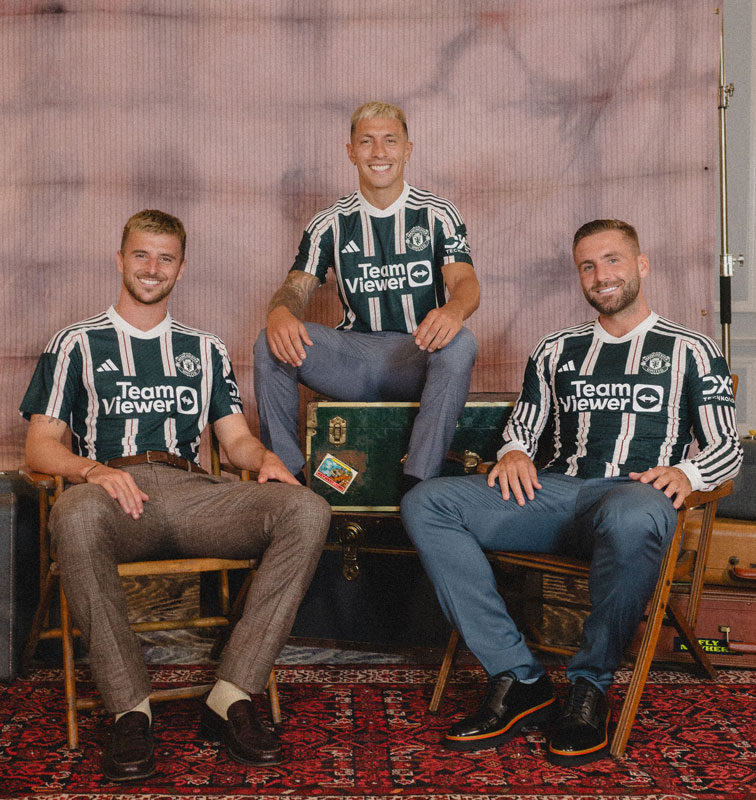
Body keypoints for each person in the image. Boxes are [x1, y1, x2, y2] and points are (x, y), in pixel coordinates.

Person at [401, 219, 743, 765]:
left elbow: (727, 448)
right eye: (588, 265)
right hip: (558, 495)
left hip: (635, 497)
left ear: (641, 264)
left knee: (633, 514)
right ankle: (518, 677)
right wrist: (514, 451)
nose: (601, 275)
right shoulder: (556, 348)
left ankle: (590, 688)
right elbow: (524, 426)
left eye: (613, 260)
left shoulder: (693, 350)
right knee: (427, 502)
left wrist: (687, 475)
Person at [20, 210, 331, 781]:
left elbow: (234, 440)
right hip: (112, 494)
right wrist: (92, 470)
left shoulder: (205, 348)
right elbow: (39, 447)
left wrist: (264, 459)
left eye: (165, 258)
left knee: (307, 509)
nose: (152, 267)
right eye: (141, 254)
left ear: (181, 268)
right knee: (73, 513)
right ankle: (130, 710)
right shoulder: (76, 343)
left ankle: (231, 695)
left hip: (194, 493)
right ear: (120, 259)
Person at [253, 101, 480, 494]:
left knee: (461, 342)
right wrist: (280, 313)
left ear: (407, 150)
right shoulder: (329, 222)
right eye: (366, 142)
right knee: (268, 343)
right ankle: (289, 481)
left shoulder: (437, 213)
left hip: (417, 356)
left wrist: (454, 310)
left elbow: (465, 282)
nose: (378, 152)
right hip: (352, 359)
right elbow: (296, 287)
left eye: (390, 141)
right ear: (351, 152)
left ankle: (418, 483)